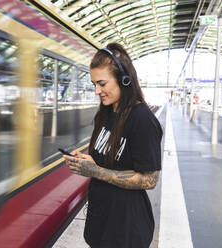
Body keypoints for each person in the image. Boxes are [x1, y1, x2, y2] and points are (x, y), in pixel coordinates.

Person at [63, 42, 163, 248]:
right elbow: (105, 160)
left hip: (126, 229)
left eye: (102, 83)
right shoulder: (106, 114)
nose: (97, 90)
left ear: (124, 80)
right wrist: (88, 162)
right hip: (101, 221)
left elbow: (149, 180)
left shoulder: (142, 119)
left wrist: (97, 171)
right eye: (94, 84)